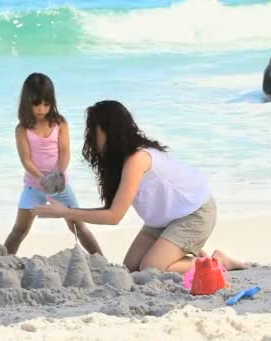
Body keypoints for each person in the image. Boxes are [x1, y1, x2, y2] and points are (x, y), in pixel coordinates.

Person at [34, 100, 246, 274]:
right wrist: (68, 212)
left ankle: (217, 262)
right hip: (164, 219)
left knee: (151, 267)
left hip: (194, 213)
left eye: (92, 129)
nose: (89, 135)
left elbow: (114, 217)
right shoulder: (121, 162)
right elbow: (111, 210)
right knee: (131, 268)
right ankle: (183, 251)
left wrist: (66, 212)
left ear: (108, 130)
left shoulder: (137, 159)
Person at [4, 73, 102, 255]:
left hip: (59, 184)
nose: (41, 109)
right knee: (19, 230)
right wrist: (43, 179)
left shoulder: (59, 123)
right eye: (36, 104)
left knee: (78, 226)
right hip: (34, 185)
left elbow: (64, 152)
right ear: (27, 102)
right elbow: (26, 160)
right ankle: (0, 262)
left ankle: (102, 260)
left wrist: (57, 175)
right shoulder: (22, 129)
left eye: (46, 104)